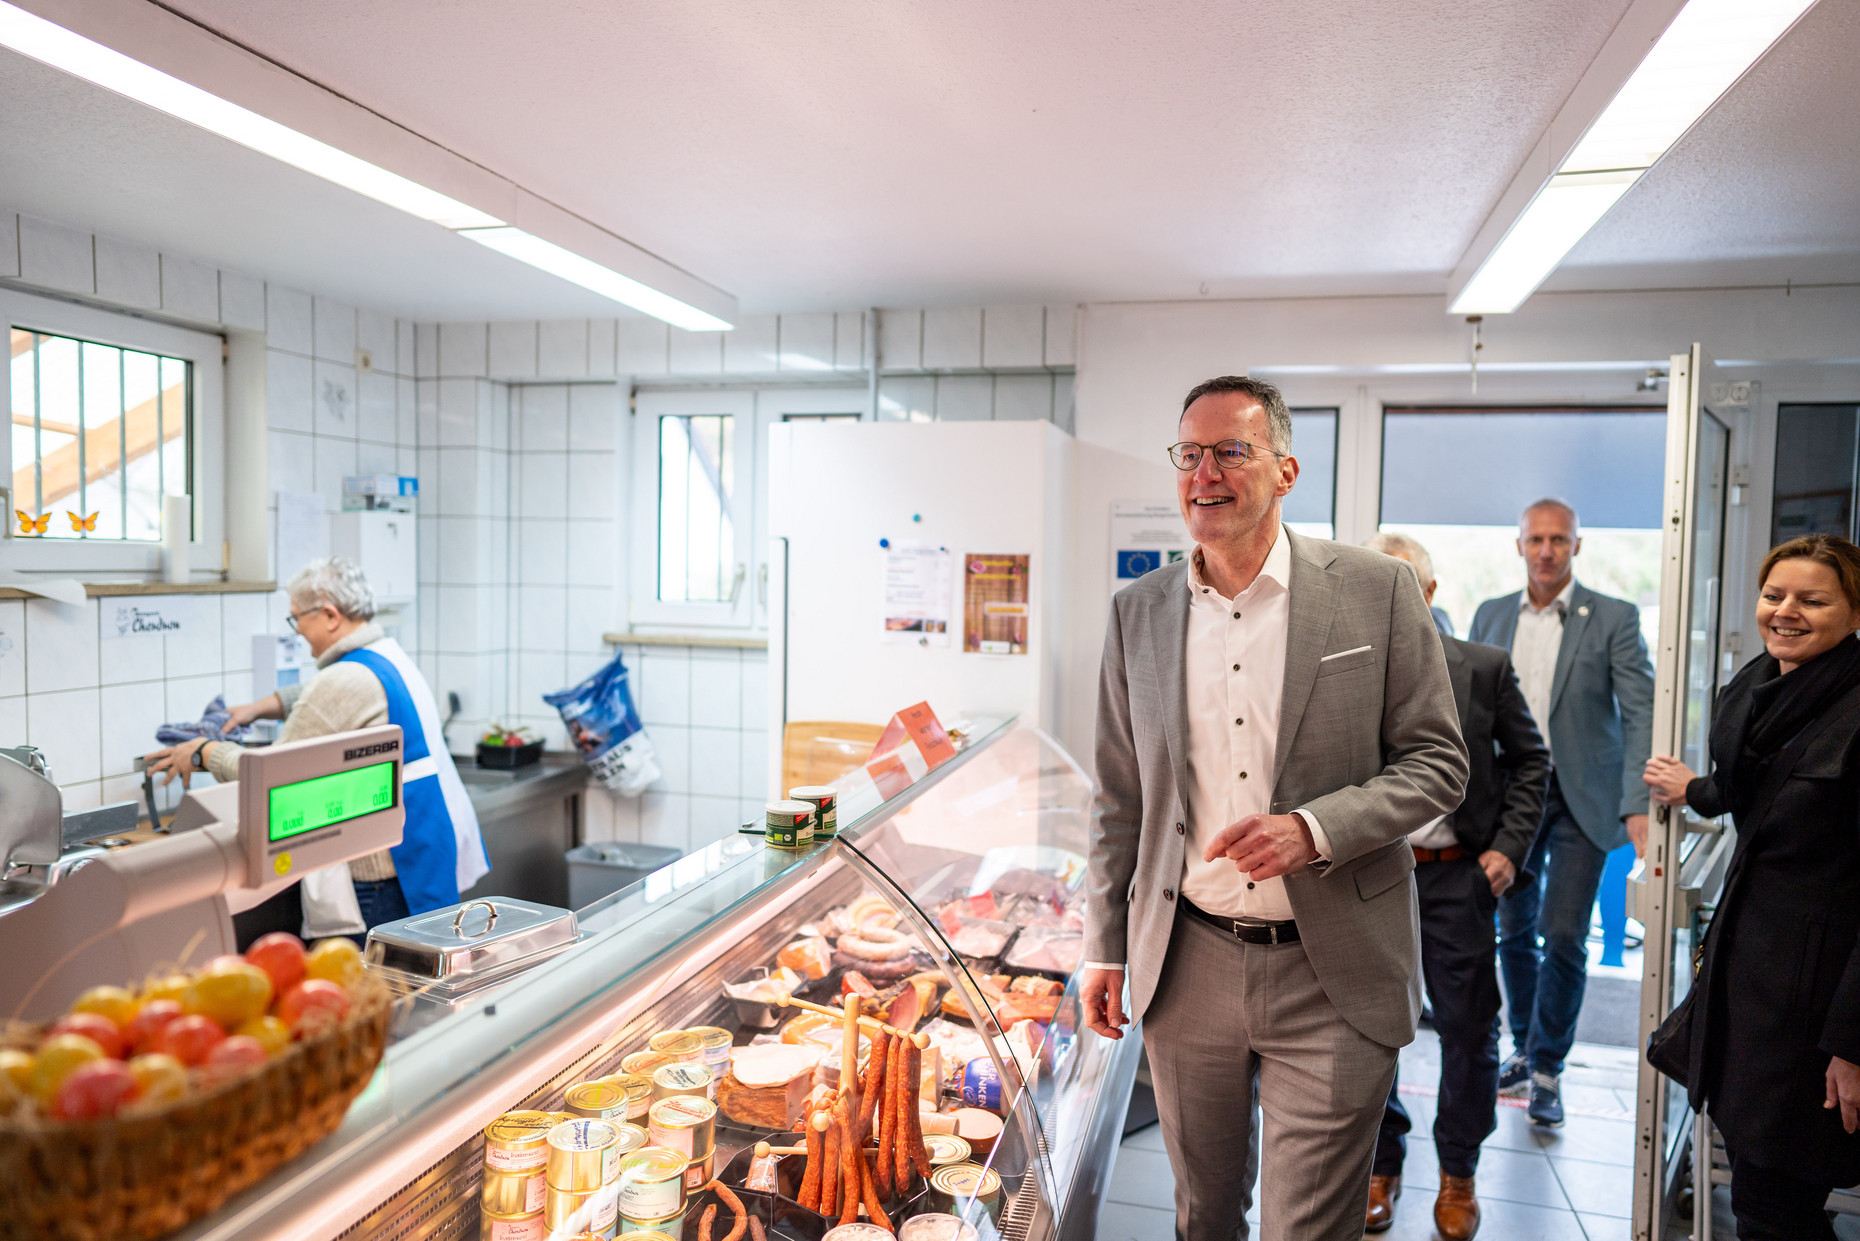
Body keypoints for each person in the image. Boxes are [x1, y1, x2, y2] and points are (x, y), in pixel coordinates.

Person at [1082, 375, 1469, 1241]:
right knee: (1203, 1215)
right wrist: (1105, 945)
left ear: (1286, 470)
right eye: (1190, 453)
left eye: (1232, 450)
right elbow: (1119, 795)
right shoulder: (1136, 613)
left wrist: (1314, 830)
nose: (1205, 472)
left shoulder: (1377, 590)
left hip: (1333, 969)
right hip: (1187, 964)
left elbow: (1441, 762)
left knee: (1307, 1229)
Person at [1644, 535, 1860, 1241]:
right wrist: (1695, 789)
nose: (1786, 612)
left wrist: (1852, 1045)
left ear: (1854, 611)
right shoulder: (1758, 688)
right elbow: (1750, 791)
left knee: (1776, 1209)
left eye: (1812, 599)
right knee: (1761, 1196)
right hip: (1749, 999)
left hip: (1818, 1012)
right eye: (1775, 595)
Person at [1362, 532, 1550, 1239]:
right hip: (1368, 878)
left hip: (1453, 877)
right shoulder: (1339, 669)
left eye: (1403, 583)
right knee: (1367, 1026)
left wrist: (1507, 848)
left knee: (1469, 1031)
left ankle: (1458, 1172)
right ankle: (1382, 1162)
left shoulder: (1482, 668)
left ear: (1431, 592)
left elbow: (1533, 762)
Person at [146, 557, 488, 937]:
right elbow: (331, 697)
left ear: (329, 615)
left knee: (380, 990)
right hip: (423, 844)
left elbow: (271, 773)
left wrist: (204, 752)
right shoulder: (387, 653)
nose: (297, 631)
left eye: (297, 619)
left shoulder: (345, 679)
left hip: (380, 877)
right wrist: (264, 706)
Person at [1468, 498, 1654, 1126]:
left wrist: (1636, 803)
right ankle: (1524, 1048)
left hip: (1582, 798)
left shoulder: (1614, 617)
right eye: (1536, 540)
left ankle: (1549, 1065)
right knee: (1514, 931)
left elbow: (1641, 712)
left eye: (1559, 540)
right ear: (1518, 545)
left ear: (1578, 546)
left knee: (1567, 932)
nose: (1546, 550)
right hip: (1513, 797)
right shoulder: (1492, 614)